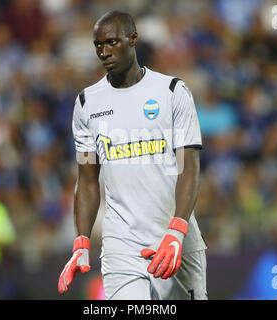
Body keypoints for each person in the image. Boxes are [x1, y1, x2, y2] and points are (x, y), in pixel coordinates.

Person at [58, 11, 207, 300]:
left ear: (133, 39)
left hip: (174, 235)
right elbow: (87, 178)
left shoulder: (172, 91)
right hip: (121, 243)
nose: (104, 52)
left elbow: (188, 167)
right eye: (98, 45)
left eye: (112, 42)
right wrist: (81, 241)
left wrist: (177, 230)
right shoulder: (87, 103)